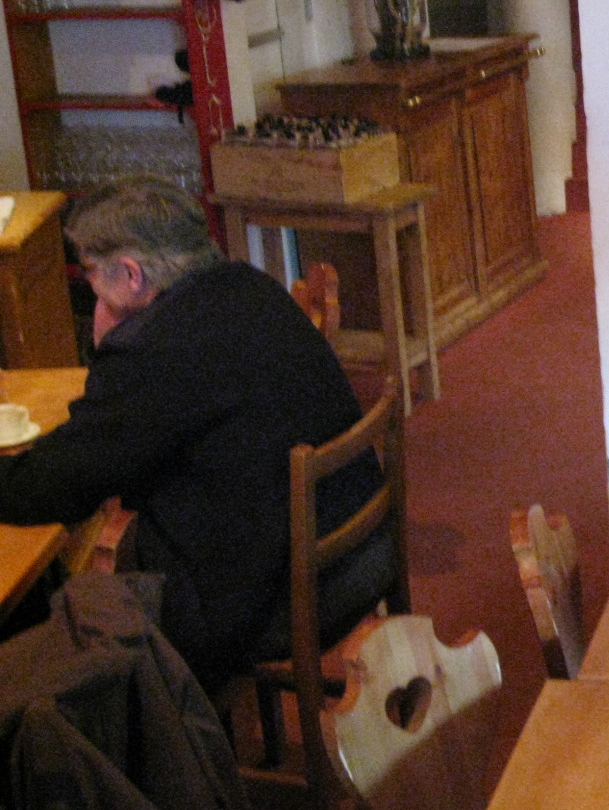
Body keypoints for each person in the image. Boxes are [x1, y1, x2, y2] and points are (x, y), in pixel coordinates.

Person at [0, 177, 392, 690]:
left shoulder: (152, 350)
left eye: (91, 273)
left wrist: (111, 347)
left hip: (291, 598)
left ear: (132, 275)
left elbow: (53, 489)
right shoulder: (249, 284)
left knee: (60, 629)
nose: (89, 290)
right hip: (360, 552)